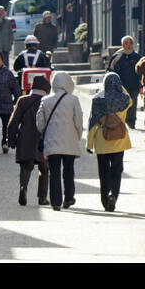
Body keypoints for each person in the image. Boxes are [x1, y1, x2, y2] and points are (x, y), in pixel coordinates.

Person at [36, 70, 83, 211]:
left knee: (54, 171)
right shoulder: (73, 100)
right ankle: (69, 197)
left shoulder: (45, 100)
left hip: (52, 141)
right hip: (69, 141)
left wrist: (45, 131)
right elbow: (78, 121)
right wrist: (78, 136)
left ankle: (56, 202)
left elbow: (40, 123)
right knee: (69, 170)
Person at [86, 72, 132, 212]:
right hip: (119, 139)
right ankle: (114, 195)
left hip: (102, 140)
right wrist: (120, 87)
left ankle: (105, 198)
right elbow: (128, 96)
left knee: (103, 171)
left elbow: (92, 123)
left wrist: (89, 144)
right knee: (117, 170)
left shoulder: (98, 100)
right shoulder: (125, 99)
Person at [7, 75, 49, 206]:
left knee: (26, 166)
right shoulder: (47, 102)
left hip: (25, 139)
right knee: (44, 168)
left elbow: (13, 123)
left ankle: (23, 188)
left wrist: (11, 140)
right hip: (43, 140)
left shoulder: (23, 100)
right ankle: (42, 197)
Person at [108, 36, 141, 128]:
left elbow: (142, 71)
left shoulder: (137, 57)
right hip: (121, 85)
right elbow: (110, 70)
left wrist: (142, 83)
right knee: (122, 104)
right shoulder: (117, 56)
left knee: (133, 104)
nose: (128, 45)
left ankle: (132, 122)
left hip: (134, 85)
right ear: (122, 45)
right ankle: (122, 121)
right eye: (126, 43)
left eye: (130, 43)